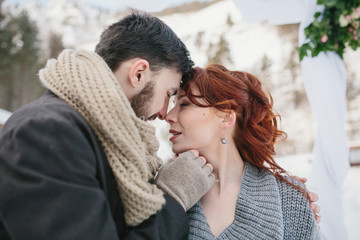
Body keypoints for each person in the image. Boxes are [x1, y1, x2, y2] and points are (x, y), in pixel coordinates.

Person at [0, 12, 215, 239]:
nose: (163, 112)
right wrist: (173, 199)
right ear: (138, 73)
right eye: (168, 93)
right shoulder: (45, 134)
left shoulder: (97, 137)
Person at [163, 64, 321, 239]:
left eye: (184, 104)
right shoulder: (164, 190)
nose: (168, 116)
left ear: (226, 117)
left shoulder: (288, 199)